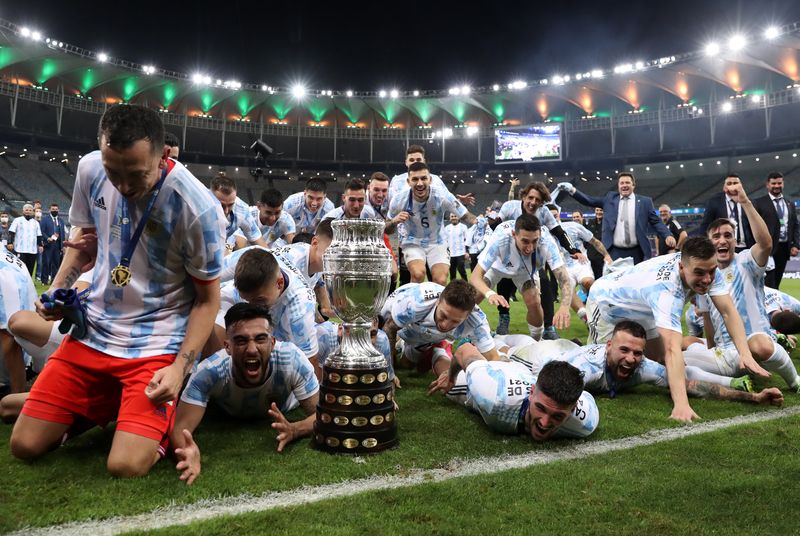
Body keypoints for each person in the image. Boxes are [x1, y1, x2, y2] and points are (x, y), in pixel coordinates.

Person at [9, 104, 226, 480]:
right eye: (115, 172)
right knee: (24, 446)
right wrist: (57, 290)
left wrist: (179, 368)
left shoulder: (199, 210)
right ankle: (114, 406)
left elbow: (208, 301)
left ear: (164, 155)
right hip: (94, 333)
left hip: (155, 342)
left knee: (125, 466)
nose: (123, 186)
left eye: (136, 174)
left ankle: (146, 417)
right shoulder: (91, 169)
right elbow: (84, 242)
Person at [585, 236, 768, 422]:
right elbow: (672, 349)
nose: (707, 280)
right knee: (605, 368)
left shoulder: (706, 268)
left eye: (711, 272)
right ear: (682, 267)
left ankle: (730, 384)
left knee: (658, 360)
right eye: (699, 273)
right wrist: (681, 404)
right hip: (607, 303)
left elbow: (728, 312)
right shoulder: (667, 292)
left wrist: (744, 353)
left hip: (643, 307)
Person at [170, 304, 319, 482]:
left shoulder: (292, 360)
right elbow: (180, 429)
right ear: (227, 347)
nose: (251, 349)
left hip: (289, 405)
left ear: (272, 343)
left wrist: (296, 429)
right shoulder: (209, 372)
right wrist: (185, 453)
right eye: (241, 340)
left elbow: (324, 414)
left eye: (260, 339)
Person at [685, 187, 800, 391]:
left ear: (735, 240)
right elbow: (708, 319)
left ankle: (795, 381)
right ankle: (734, 380)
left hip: (756, 342)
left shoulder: (747, 261)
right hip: (727, 354)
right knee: (675, 349)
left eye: (728, 235)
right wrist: (710, 349)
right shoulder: (704, 276)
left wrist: (745, 202)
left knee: (760, 346)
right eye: (716, 236)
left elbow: (765, 244)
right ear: (709, 242)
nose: (722, 240)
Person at [511, 321, 780, 404]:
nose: (631, 359)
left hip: (569, 349)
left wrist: (753, 398)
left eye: (637, 353)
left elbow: (690, 384)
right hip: (541, 357)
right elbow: (547, 391)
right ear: (609, 346)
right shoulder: (587, 371)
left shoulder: (644, 368)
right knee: (507, 348)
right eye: (624, 350)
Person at [436, 342, 599, 441]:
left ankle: (500, 350)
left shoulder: (585, 422)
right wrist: (450, 377)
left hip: (520, 372)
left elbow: (585, 396)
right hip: (498, 378)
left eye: (558, 416)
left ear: (572, 408)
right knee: (446, 384)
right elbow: (465, 350)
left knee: (505, 360)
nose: (544, 423)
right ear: (532, 392)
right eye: (541, 408)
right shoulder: (493, 396)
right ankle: (438, 350)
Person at [214, 248, 320, 377]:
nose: (253, 306)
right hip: (231, 300)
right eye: (247, 299)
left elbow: (310, 361)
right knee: (214, 337)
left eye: (259, 300)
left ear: (279, 284)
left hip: (280, 331)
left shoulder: (300, 310)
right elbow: (206, 277)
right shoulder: (250, 257)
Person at [470, 213, 573, 340]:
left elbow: (564, 278)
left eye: (534, 241)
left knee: (534, 300)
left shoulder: (546, 241)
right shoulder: (501, 237)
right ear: (514, 235)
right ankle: (466, 333)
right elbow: (475, 276)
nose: (530, 248)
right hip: (498, 266)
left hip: (525, 270)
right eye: (525, 241)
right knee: (473, 297)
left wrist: (564, 307)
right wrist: (490, 293)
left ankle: (535, 340)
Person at [381, 280, 498, 385]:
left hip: (425, 336)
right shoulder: (415, 302)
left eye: (455, 321)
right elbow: (388, 328)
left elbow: (493, 358)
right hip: (397, 321)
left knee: (407, 365)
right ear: (438, 302)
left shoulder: (477, 321)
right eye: (444, 315)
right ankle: (399, 341)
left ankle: (402, 344)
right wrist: (389, 372)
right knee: (384, 356)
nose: (445, 325)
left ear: (468, 316)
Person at [387, 162, 477, 285]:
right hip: (412, 241)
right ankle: (415, 303)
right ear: (408, 182)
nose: (419, 183)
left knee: (440, 280)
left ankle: (437, 304)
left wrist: (479, 221)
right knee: (418, 274)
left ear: (430, 180)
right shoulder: (398, 200)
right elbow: (387, 229)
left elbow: (466, 215)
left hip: (437, 241)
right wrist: (393, 221)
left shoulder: (442, 195)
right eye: (415, 179)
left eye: (423, 178)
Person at [558, 173, 675, 263]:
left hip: (638, 251)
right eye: (622, 183)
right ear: (618, 186)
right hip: (614, 251)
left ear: (633, 185)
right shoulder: (609, 199)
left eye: (627, 183)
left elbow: (656, 221)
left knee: (637, 285)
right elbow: (589, 200)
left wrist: (667, 234)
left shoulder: (645, 202)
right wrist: (572, 190)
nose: (624, 185)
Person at [547, 205, 612, 322]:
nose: (553, 219)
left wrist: (606, 255)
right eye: (550, 217)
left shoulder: (573, 226)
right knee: (568, 291)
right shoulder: (544, 234)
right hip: (562, 268)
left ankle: (600, 311)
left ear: (558, 216)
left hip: (580, 263)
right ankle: (586, 318)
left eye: (555, 216)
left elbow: (594, 241)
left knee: (588, 282)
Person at [752, 172, 800, 288]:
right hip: (767, 248)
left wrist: (796, 244)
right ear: (767, 185)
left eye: (779, 183)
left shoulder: (789, 204)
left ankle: (774, 303)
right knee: (768, 281)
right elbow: (753, 225)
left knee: (777, 280)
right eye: (773, 183)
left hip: (784, 248)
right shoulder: (759, 203)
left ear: (783, 184)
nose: (777, 186)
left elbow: (795, 225)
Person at [0, 250, 37, 395]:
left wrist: (15, 396)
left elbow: (9, 337)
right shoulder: (6, 256)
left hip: (9, 374)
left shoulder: (4, 273)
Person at [210, 172, 266, 249]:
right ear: (209, 197)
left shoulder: (242, 209)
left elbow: (258, 240)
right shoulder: (198, 206)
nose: (226, 211)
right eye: (221, 205)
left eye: (230, 205)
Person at [697, 174, 752, 251]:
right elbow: (705, 226)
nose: (732, 186)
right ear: (724, 187)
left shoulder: (747, 202)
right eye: (729, 183)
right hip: (723, 247)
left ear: (741, 186)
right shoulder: (714, 202)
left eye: (735, 183)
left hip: (746, 247)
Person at [7, 204, 43, 276]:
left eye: (30, 210)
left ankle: (28, 285)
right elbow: (11, 232)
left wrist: (40, 245)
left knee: (30, 270)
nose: (28, 212)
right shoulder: (17, 220)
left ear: (33, 212)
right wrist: (10, 242)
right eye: (26, 210)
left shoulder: (36, 223)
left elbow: (39, 235)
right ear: (23, 211)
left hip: (32, 250)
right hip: (20, 249)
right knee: (20, 269)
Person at [39, 203, 66, 285]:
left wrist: (63, 245)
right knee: (46, 263)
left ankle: (54, 280)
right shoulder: (45, 219)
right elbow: (42, 231)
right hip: (48, 245)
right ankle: (44, 280)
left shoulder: (61, 221)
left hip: (57, 245)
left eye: (56, 209)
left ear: (58, 210)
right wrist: (47, 238)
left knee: (56, 264)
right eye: (53, 209)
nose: (54, 210)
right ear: (49, 210)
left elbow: (63, 234)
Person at [444, 213, 469, 280]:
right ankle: (453, 289)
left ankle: (466, 286)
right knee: (452, 273)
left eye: (455, 216)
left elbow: (467, 240)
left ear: (458, 217)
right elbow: (445, 241)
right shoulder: (447, 228)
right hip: (451, 254)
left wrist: (467, 251)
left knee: (462, 271)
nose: (453, 218)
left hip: (460, 253)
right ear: (450, 218)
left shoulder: (463, 227)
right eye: (452, 216)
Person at [585, 207, 605, 279]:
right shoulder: (591, 222)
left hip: (602, 257)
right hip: (591, 256)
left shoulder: (607, 223)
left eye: (601, 210)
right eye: (597, 210)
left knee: (602, 278)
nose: (599, 212)